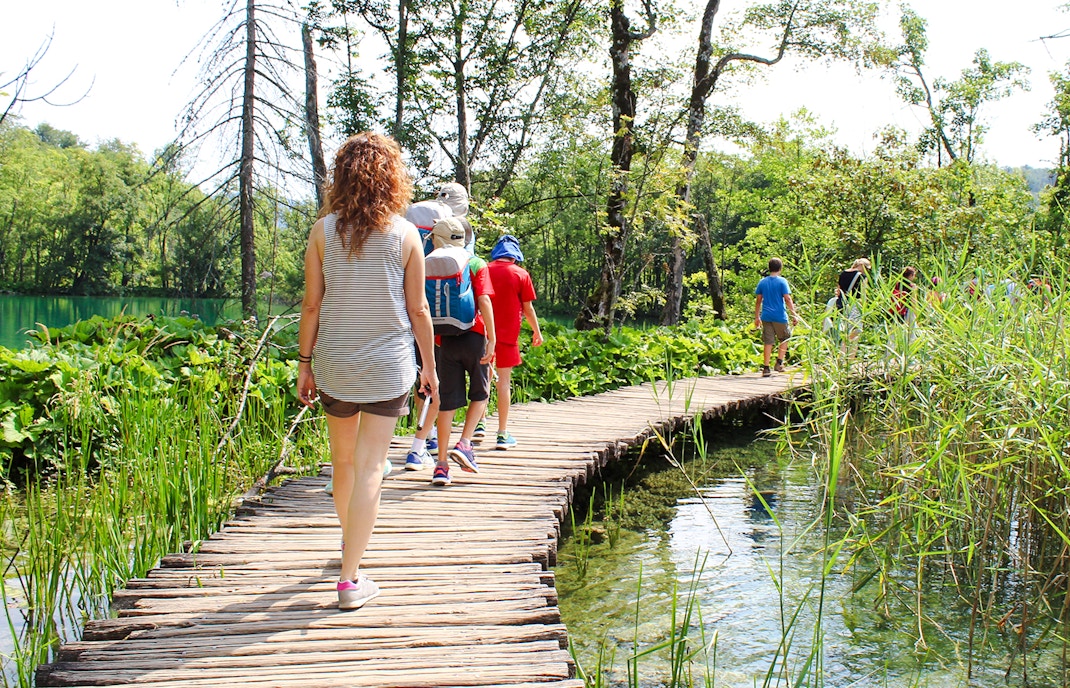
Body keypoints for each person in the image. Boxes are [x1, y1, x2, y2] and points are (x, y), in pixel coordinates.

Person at [296, 132, 438, 611]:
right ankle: (350, 579)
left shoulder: (322, 231)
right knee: (374, 466)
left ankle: (347, 543)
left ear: (342, 177)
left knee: (343, 463)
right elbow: (418, 310)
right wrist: (430, 372)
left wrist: (304, 364)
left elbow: (312, 305)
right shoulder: (405, 235)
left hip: (334, 362)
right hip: (387, 366)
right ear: (391, 178)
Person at [425, 216, 496, 486]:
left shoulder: (427, 262)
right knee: (481, 393)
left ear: (436, 238)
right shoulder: (476, 263)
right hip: (474, 336)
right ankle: (465, 443)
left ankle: (441, 466)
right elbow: (484, 300)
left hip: (444, 340)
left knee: (446, 403)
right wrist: (492, 337)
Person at [487, 235, 544, 449]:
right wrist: (536, 332)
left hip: (483, 333)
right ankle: (502, 433)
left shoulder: (484, 270)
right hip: (508, 336)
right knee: (504, 383)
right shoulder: (521, 274)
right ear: (515, 255)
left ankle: (479, 425)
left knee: (483, 379)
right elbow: (528, 308)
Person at [753, 257, 800, 377]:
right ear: (780, 268)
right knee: (785, 338)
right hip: (779, 316)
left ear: (769, 268)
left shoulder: (762, 282)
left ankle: (766, 368)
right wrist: (794, 314)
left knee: (768, 341)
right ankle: (779, 363)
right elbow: (787, 298)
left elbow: (758, 301)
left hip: (766, 316)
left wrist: (757, 317)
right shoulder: (782, 281)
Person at [837, 257, 870, 351]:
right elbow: (863, 296)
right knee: (855, 332)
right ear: (862, 266)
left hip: (841, 304)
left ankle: (840, 354)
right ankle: (849, 357)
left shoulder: (843, 273)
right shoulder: (862, 277)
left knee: (844, 331)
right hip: (854, 306)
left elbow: (839, 290)